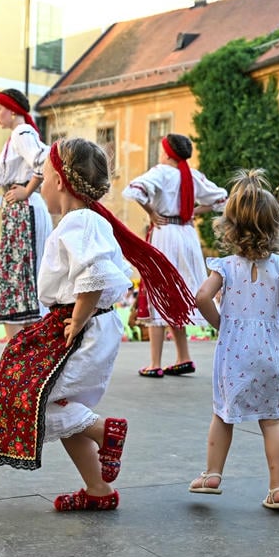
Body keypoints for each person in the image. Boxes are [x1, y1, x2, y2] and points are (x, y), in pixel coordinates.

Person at [0, 138, 196, 512]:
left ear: (59, 182)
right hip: (84, 321)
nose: (39, 183)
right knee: (61, 404)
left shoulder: (80, 221)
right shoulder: (84, 220)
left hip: (82, 324)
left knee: (37, 398)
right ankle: (98, 489)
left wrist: (76, 319)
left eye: (43, 176)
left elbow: (93, 275)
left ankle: (104, 431)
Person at [189, 170, 279, 510]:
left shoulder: (225, 266)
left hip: (233, 354)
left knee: (223, 415)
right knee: (272, 420)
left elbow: (201, 297)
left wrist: (220, 323)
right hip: (269, 352)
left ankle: (212, 475)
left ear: (229, 227)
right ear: (275, 227)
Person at [123, 133, 228, 377]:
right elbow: (221, 198)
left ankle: (155, 363)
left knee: (159, 292)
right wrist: (192, 212)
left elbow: (135, 190)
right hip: (187, 235)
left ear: (167, 153)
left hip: (165, 233)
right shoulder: (192, 175)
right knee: (178, 293)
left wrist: (151, 212)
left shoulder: (161, 172)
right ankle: (183, 356)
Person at [0, 88, 52, 343]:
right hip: (18, 211)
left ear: (12, 110)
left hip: (24, 210)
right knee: (16, 276)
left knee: (19, 276)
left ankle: (22, 350)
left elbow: (44, 160)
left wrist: (27, 190)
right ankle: (20, 349)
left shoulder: (22, 132)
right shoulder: (19, 134)